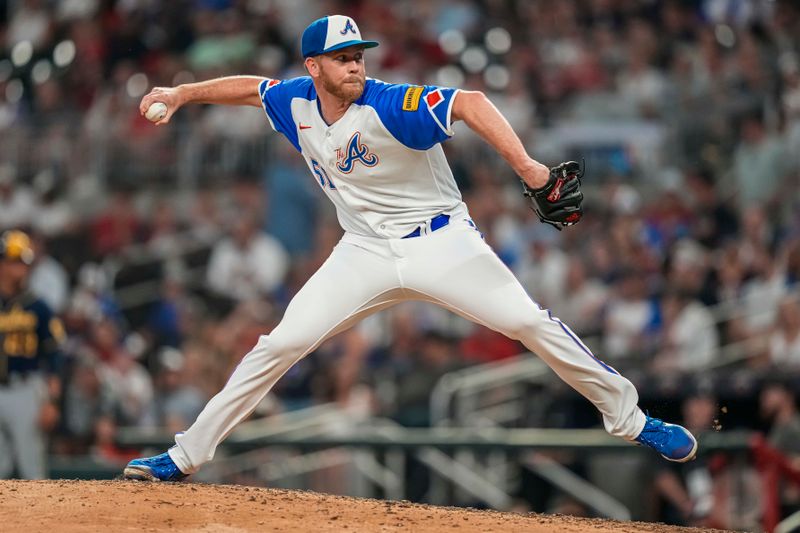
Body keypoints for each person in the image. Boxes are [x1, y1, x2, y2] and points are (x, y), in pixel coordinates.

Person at [123, 15, 697, 482]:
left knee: (529, 322)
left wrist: (527, 168)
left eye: (359, 55)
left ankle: (633, 420)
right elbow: (253, 88)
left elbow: (470, 102)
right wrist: (183, 92)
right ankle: (182, 457)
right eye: (343, 57)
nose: (356, 65)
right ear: (313, 66)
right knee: (279, 344)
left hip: (441, 241)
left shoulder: (391, 104)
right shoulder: (296, 101)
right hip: (364, 251)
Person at [0, 230, 65, 479]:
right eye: (14, 261)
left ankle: (43, 520)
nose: (20, 268)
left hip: (25, 391)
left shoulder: (38, 306)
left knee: (32, 469)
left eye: (24, 262)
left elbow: (55, 357)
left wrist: (52, 401)